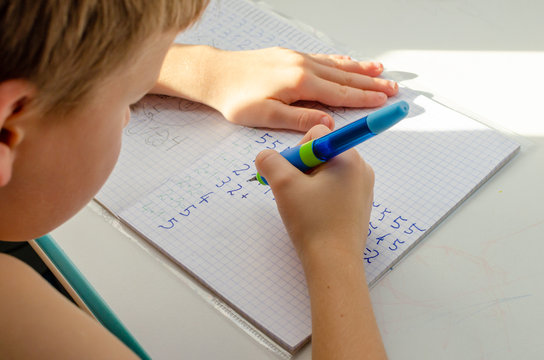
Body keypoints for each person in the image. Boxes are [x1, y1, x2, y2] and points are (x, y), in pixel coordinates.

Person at [0, 0, 396, 358]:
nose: (128, 114)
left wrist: (199, 69)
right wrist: (332, 252)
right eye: (127, 99)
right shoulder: (14, 316)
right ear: (9, 127)